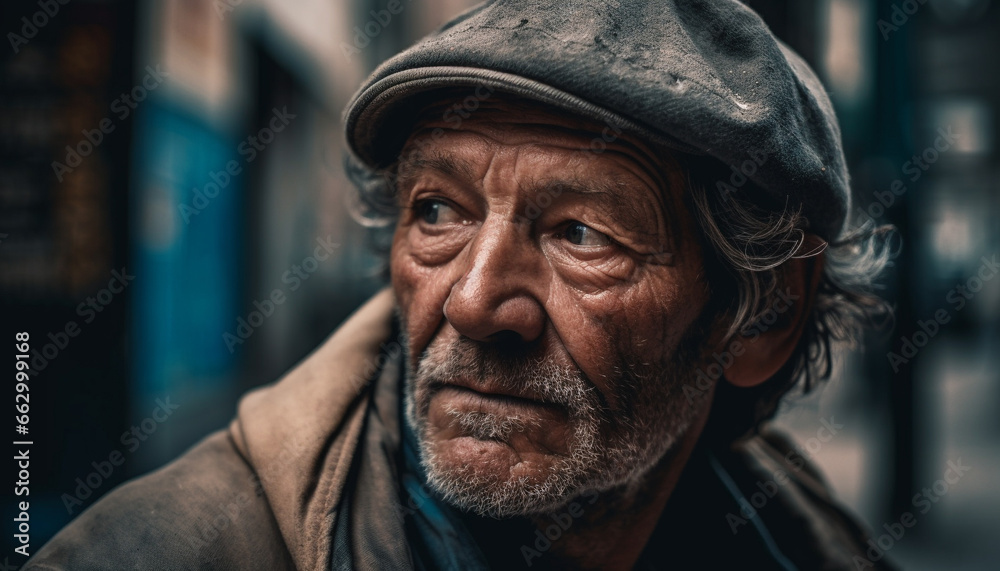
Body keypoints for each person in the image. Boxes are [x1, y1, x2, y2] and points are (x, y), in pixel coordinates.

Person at [28, 0, 897, 569]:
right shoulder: (151, 555)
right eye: (439, 211)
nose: (474, 301)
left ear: (766, 315)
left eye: (582, 233)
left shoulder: (807, 547)